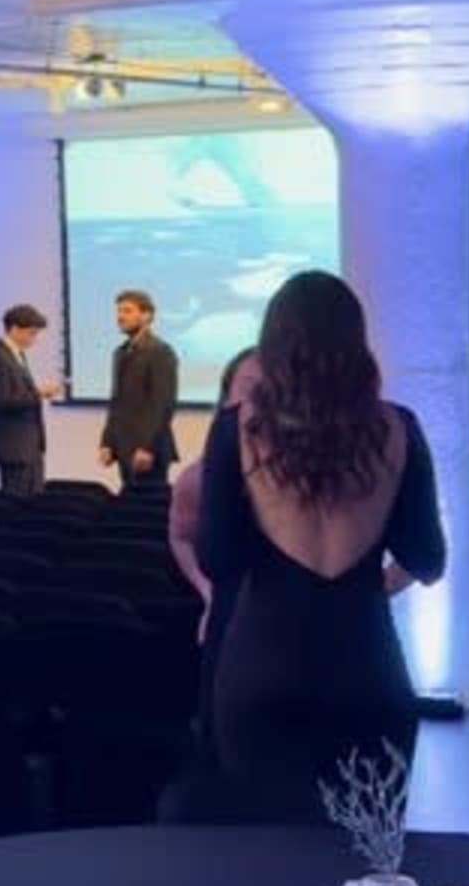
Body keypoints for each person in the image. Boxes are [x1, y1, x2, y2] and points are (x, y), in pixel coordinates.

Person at [193, 271, 448, 795]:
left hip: (262, 669)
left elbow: (217, 557)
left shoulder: (235, 429)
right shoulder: (399, 428)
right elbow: (426, 558)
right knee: (367, 859)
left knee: (263, 856)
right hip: (368, 667)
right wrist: (369, 587)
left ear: (272, 343)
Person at [100, 288, 181, 491]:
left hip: (148, 451)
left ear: (146, 315)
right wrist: (107, 442)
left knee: (147, 512)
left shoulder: (160, 352)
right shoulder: (120, 353)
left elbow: (163, 404)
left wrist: (147, 447)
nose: (120, 317)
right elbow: (116, 402)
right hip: (123, 446)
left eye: (127, 311)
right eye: (119, 311)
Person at [0, 303, 52, 496]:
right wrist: (38, 393)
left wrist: (36, 393)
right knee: (16, 501)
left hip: (29, 444)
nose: (34, 339)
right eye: (31, 333)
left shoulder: (17, 355)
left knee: (35, 498)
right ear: (14, 329)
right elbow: (3, 401)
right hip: (13, 446)